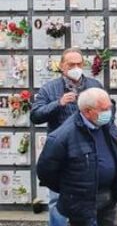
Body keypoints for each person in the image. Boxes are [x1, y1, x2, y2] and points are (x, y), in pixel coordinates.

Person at [31, 47, 103, 226]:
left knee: (91, 199)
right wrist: (59, 103)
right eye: (71, 64)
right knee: (57, 199)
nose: (76, 68)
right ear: (62, 66)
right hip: (62, 153)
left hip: (89, 151)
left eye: (79, 64)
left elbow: (109, 110)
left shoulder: (94, 85)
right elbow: (36, 115)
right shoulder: (49, 88)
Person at [37, 88, 117, 226]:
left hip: (109, 200)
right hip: (81, 204)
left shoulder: (106, 126)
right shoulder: (62, 136)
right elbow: (45, 173)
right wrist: (71, 190)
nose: (109, 112)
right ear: (87, 111)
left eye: (110, 108)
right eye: (104, 109)